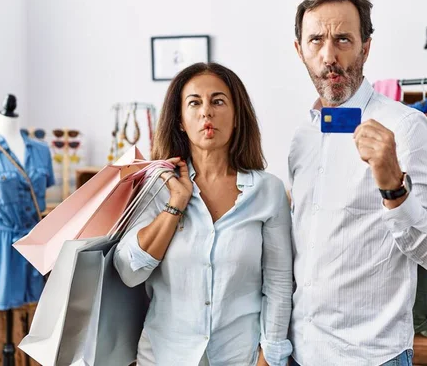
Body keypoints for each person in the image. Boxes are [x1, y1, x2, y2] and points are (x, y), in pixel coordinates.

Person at [287, 0, 427, 366]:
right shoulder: (302, 138)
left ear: (365, 48)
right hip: (301, 351)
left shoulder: (407, 128)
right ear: (300, 50)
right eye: (316, 40)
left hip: (371, 357)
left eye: (343, 39)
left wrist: (394, 189)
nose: (329, 56)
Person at [114, 62, 293, 366]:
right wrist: (176, 204)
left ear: (237, 116)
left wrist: (271, 357)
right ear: (181, 120)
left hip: (241, 356)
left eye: (218, 101)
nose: (206, 112)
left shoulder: (268, 191)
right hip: (164, 356)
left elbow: (278, 284)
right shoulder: (157, 186)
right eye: (194, 102)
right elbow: (129, 272)